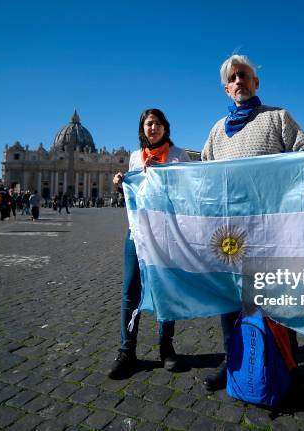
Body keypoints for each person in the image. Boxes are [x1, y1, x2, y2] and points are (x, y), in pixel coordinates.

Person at [201, 54, 304, 391]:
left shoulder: (278, 117)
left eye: (244, 76)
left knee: (276, 299)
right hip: (229, 232)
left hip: (271, 230)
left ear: (256, 83)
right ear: (226, 89)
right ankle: (233, 360)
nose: (239, 81)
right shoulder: (216, 131)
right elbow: (203, 175)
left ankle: (285, 363)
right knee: (229, 301)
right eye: (233, 78)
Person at [107, 108, 191, 380]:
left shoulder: (179, 155)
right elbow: (136, 194)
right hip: (138, 232)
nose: (152, 128)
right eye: (147, 124)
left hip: (166, 232)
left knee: (165, 288)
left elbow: (187, 192)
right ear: (142, 129)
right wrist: (122, 182)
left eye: (157, 123)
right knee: (130, 289)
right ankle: (126, 350)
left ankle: (166, 347)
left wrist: (162, 174)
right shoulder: (134, 157)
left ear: (165, 127)